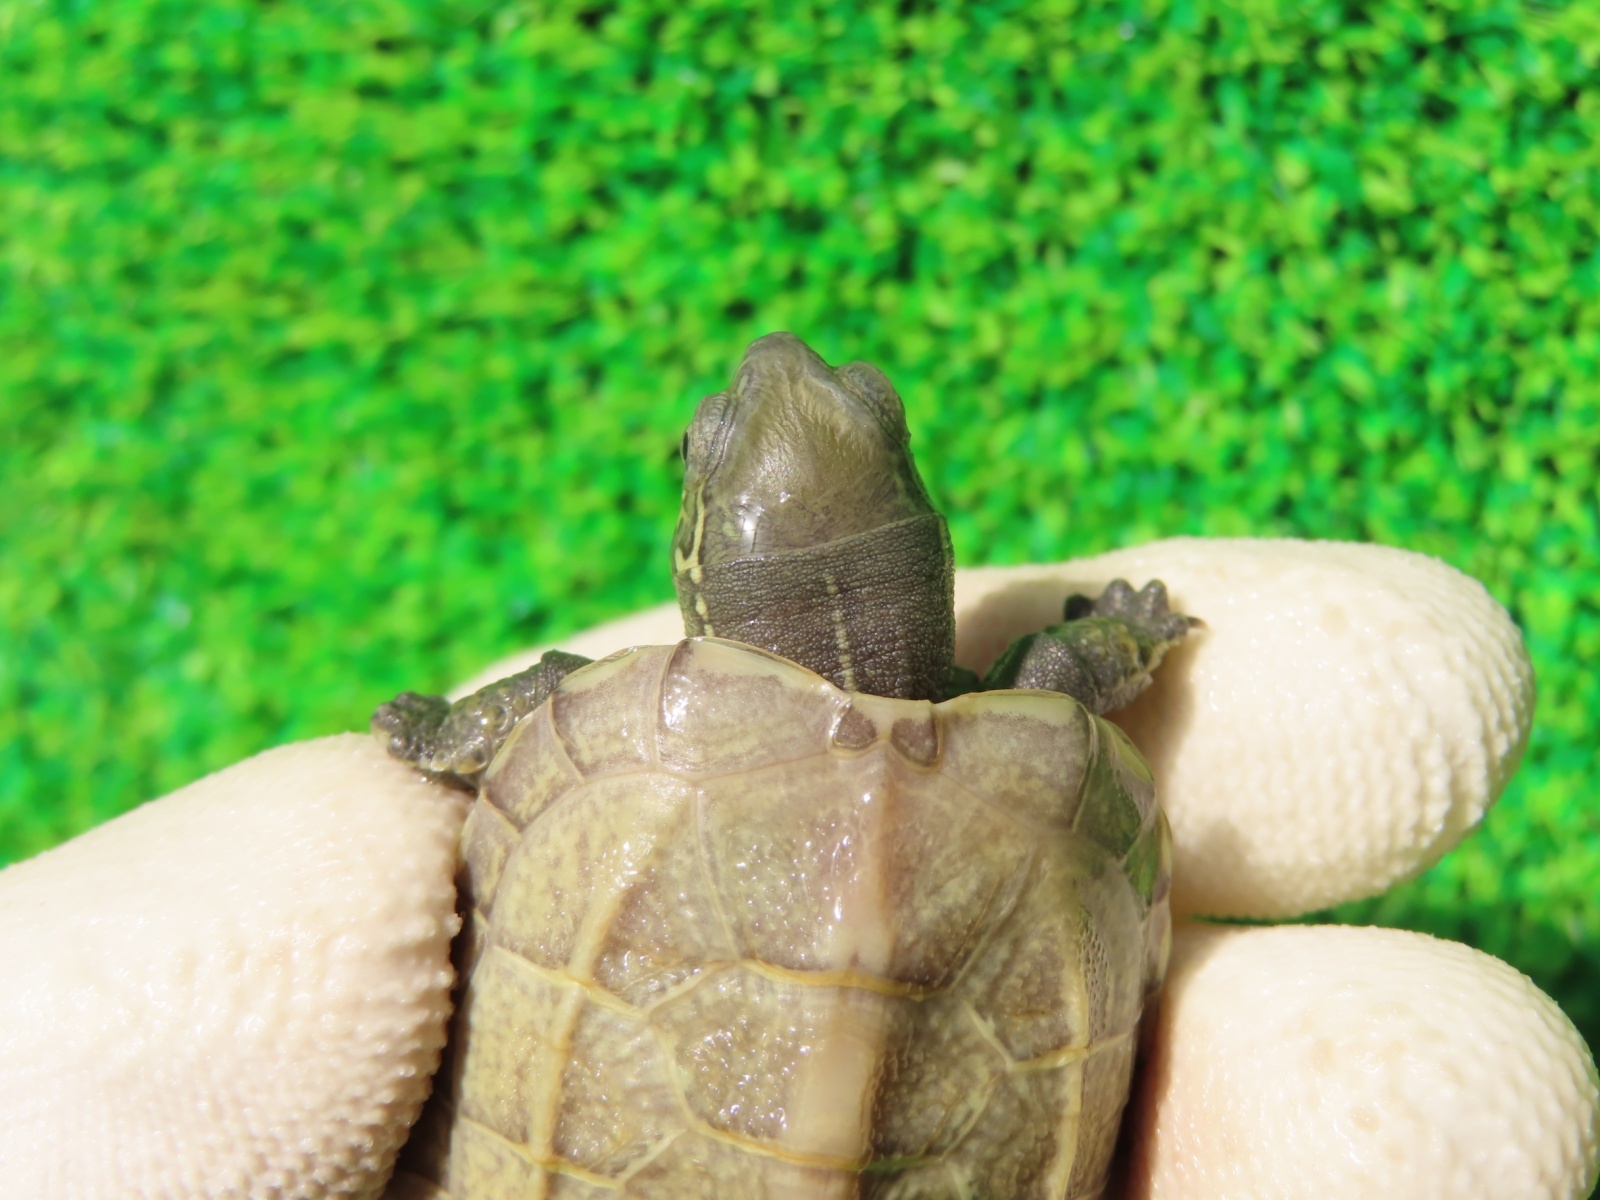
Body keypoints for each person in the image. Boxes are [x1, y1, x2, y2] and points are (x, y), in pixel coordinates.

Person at [1, 558, 1596, 1200]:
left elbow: (506, 727)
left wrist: (437, 735)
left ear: (701, 557)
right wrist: (1119, 634)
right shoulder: (1050, 721)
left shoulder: (596, 721)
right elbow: (1073, 672)